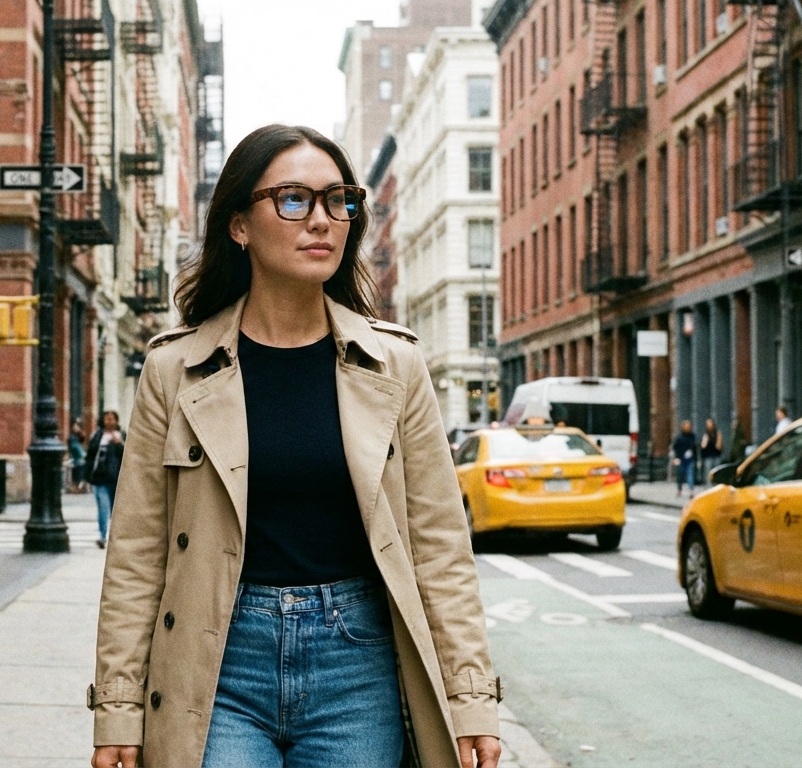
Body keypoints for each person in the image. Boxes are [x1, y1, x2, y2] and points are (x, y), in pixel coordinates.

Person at [90, 125, 500, 768]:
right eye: (293, 200)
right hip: (216, 657)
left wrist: (471, 696)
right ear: (239, 226)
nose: (322, 220)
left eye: (339, 200)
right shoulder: (177, 369)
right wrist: (118, 711)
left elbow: (441, 548)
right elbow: (138, 552)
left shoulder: (394, 363)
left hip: (358, 663)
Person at [84, 411, 124, 549]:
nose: (110, 421)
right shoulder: (97, 435)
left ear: (117, 421)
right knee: (103, 507)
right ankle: (102, 536)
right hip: (100, 478)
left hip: (117, 478)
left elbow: (127, 456)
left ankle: (116, 537)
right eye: (107, 419)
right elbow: (90, 455)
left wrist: (119, 443)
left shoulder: (122, 435)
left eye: (112, 419)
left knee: (116, 510)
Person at [672, 420, 698, 497]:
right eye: (686, 426)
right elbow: (675, 448)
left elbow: (695, 447)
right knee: (680, 475)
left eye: (689, 426)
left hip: (690, 459)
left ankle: (691, 490)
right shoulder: (679, 437)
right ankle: (679, 489)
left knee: (690, 474)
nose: (688, 428)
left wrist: (695, 457)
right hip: (681, 459)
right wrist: (676, 458)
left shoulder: (693, 436)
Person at [699, 418, 724, 485]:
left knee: (717, 472)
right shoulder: (705, 434)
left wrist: (719, 442)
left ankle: (716, 486)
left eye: (710, 423)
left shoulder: (717, 433)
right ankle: (709, 486)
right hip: (708, 456)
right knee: (708, 472)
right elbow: (702, 446)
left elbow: (720, 446)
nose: (709, 425)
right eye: (707, 424)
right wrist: (704, 442)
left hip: (716, 455)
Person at [67, 419, 88, 492]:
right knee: (77, 471)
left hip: (78, 458)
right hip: (75, 458)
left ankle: (79, 487)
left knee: (79, 470)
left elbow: (80, 446)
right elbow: (75, 447)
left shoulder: (78, 436)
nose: (75, 427)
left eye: (77, 426)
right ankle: (77, 487)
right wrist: (82, 454)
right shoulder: (72, 437)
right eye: (74, 426)